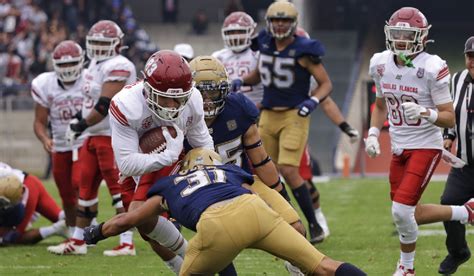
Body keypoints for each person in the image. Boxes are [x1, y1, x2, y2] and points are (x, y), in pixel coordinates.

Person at [83, 148, 367, 276]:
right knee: (322, 266)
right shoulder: (229, 169)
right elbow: (256, 192)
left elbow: (128, 220)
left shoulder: (170, 184)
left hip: (217, 224)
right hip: (257, 211)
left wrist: (96, 232)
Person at [364, 7, 474, 275]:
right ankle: (467, 213)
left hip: (426, 144)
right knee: (404, 214)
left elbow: (448, 118)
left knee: (402, 211)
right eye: (397, 33)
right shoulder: (379, 62)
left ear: (422, 37)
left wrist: (427, 112)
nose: (401, 39)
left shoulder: (432, 66)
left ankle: (406, 268)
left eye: (407, 34)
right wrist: (374, 134)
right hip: (400, 146)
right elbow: (380, 106)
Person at [189, 55, 306, 274]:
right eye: (199, 93)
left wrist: (283, 198)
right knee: (221, 245)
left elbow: (261, 160)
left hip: (244, 182)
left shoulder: (239, 109)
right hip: (205, 192)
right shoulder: (181, 117)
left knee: (296, 229)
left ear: (223, 90)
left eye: (212, 92)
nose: (206, 100)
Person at [232, 2, 332, 243]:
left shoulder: (304, 49)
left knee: (288, 169)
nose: (279, 24)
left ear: (293, 23)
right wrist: (240, 81)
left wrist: (313, 101)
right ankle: (287, 220)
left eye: (284, 21)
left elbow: (326, 83)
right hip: (267, 114)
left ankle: (314, 224)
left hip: (293, 115)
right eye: (276, 20)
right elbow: (258, 74)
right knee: (266, 172)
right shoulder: (265, 42)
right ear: (268, 22)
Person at [109, 50, 214, 273]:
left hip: (177, 158)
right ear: (147, 89)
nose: (172, 105)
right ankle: (186, 266)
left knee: (141, 215)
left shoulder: (193, 98)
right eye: (164, 97)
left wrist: (205, 170)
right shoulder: (127, 104)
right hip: (140, 162)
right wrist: (165, 156)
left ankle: (195, 261)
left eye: (178, 98)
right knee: (147, 229)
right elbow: (126, 164)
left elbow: (203, 145)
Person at [48, 20, 136, 256]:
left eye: (103, 43)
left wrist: (80, 124)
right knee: (85, 191)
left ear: (117, 44)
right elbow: (88, 103)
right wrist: (78, 120)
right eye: (95, 42)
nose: (97, 47)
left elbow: (104, 104)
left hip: (112, 135)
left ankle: (127, 242)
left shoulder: (120, 65)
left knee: (118, 191)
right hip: (93, 136)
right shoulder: (95, 65)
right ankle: (79, 241)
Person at [32, 40, 85, 238]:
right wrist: (45, 138)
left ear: (80, 62)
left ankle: (83, 230)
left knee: (78, 184)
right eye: (63, 64)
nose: (68, 68)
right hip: (60, 144)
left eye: (71, 63)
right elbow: (39, 122)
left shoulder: (89, 80)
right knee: (66, 195)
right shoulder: (45, 84)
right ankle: (73, 232)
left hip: (84, 141)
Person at [438, 36, 474, 275]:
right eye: (470, 56)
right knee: (448, 204)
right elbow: (451, 114)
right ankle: (458, 251)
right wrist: (448, 136)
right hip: (464, 164)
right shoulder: (457, 80)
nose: (473, 61)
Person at [0, 163, 68, 245]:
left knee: (10, 237)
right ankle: (82, 230)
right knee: (63, 217)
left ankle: (55, 229)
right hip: (30, 182)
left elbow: (10, 183)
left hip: (23, 190)